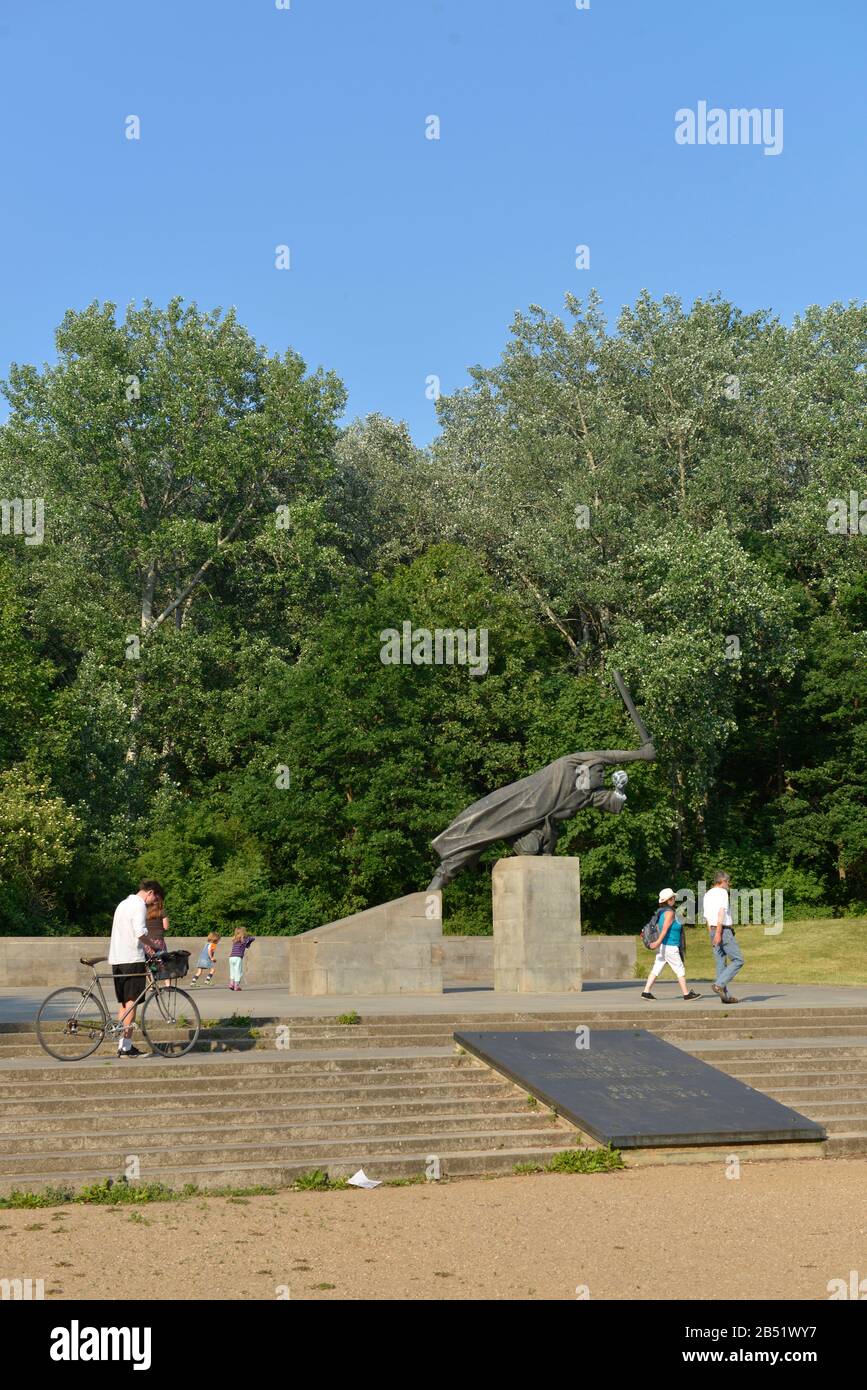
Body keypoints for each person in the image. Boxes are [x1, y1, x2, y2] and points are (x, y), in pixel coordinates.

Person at [108, 879, 164, 1057]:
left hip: (117, 958)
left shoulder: (123, 904)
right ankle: (126, 1047)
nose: (152, 904)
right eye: (154, 900)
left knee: (124, 1003)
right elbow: (140, 933)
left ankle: (122, 1044)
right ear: (151, 893)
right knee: (132, 1003)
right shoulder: (139, 905)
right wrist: (154, 947)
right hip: (132, 958)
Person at [641, 888, 700, 1001]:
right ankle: (686, 994)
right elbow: (664, 930)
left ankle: (646, 992)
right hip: (670, 946)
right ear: (669, 900)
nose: (674, 899)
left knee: (656, 968)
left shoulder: (662, 912)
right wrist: (657, 942)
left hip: (664, 946)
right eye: (673, 898)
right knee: (680, 969)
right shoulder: (669, 913)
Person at [703, 871, 744, 1004]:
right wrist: (720, 933)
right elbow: (721, 912)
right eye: (728, 881)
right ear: (723, 881)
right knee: (738, 960)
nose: (729, 884)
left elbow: (707, 918)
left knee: (721, 963)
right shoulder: (722, 893)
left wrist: (713, 934)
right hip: (723, 930)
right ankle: (719, 985)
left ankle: (725, 996)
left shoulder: (707, 894)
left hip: (712, 930)